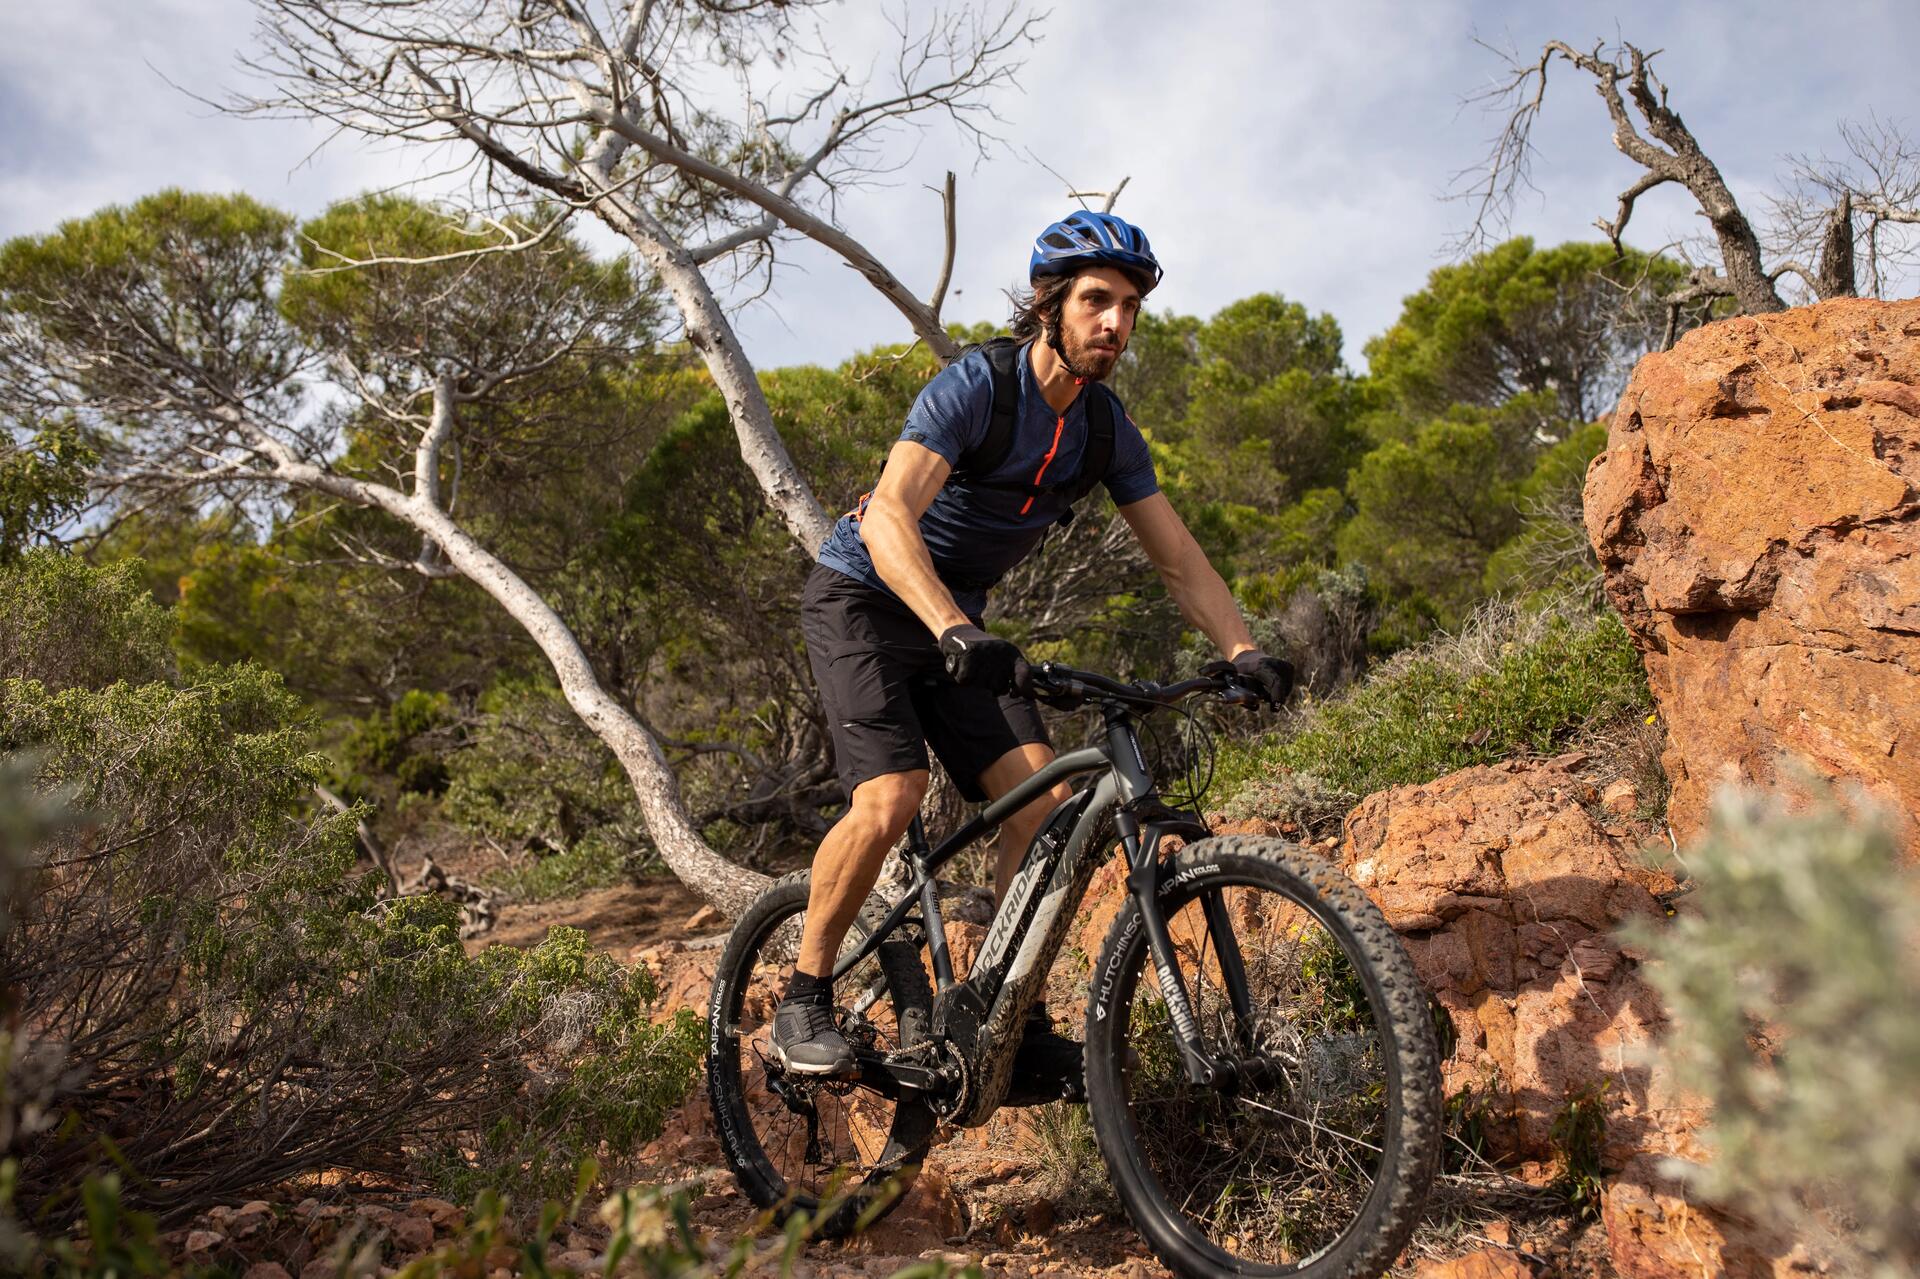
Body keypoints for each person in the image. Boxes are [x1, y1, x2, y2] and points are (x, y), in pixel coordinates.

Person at [775, 210, 1294, 1091]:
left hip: (955, 623)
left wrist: (1243, 648)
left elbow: (1176, 555)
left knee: (1044, 810)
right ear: (1050, 304)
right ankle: (803, 993)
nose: (1116, 324)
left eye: (1131, 307)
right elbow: (891, 514)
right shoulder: (977, 387)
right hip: (865, 597)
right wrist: (954, 629)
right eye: (1098, 300)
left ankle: (990, 1012)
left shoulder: (1102, 431)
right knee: (894, 792)